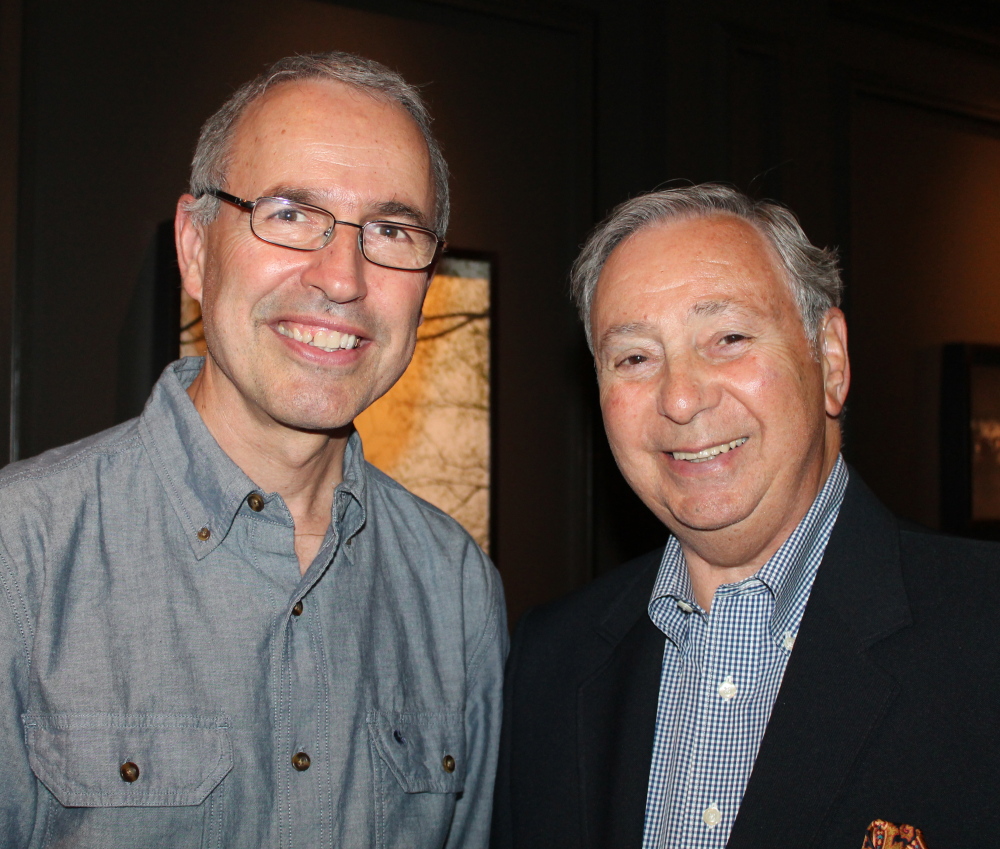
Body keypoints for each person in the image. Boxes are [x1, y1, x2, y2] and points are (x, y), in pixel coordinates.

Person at [0, 52, 506, 848]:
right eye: (290, 214)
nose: (342, 276)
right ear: (195, 247)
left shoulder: (456, 587)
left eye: (391, 229)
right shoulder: (19, 556)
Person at [492, 183, 1000, 849]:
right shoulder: (550, 661)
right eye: (635, 357)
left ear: (832, 360)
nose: (679, 397)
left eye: (728, 337)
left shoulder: (984, 634)